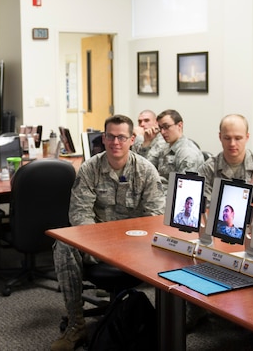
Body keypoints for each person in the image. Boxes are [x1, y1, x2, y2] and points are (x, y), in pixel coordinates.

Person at [51, 114, 165, 351]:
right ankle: (76, 324)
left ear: (132, 139)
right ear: (103, 139)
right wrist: (102, 246)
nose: (116, 142)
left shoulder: (146, 171)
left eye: (122, 137)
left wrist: (126, 246)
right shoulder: (90, 169)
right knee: (63, 245)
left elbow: (155, 219)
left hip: (135, 248)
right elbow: (80, 215)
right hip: (96, 246)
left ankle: (165, 325)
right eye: (111, 136)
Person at [198, 114, 253, 206]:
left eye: (238, 138)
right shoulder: (208, 169)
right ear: (220, 137)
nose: (232, 144)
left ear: (247, 137)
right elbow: (206, 207)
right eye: (227, 138)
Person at [144, 109, 204, 193]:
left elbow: (185, 190)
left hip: (170, 199)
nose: (162, 132)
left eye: (166, 127)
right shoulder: (165, 146)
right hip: (157, 193)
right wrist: (147, 142)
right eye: (160, 128)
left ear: (179, 125)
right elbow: (146, 168)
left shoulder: (187, 153)